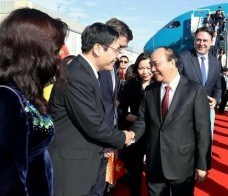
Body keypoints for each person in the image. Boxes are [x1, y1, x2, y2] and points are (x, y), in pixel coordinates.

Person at [48, 22, 134, 195]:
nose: (118, 56)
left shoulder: (87, 72)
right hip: (72, 169)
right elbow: (92, 124)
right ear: (97, 48)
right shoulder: (77, 76)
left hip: (87, 161)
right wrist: (122, 137)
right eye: (116, 50)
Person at [0, 8, 67, 195]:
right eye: (54, 52)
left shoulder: (25, 96)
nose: (58, 59)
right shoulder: (7, 99)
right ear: (33, 52)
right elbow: (8, 182)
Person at [128, 47, 212, 195]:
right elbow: (142, 121)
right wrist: (131, 135)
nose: (152, 69)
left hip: (182, 164)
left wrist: (202, 164)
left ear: (172, 63)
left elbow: (203, 130)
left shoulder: (195, 90)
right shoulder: (149, 91)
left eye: (155, 64)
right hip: (154, 163)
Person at [97, 17, 134, 194]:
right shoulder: (98, 68)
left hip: (110, 138)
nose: (121, 52)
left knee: (106, 185)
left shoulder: (113, 66)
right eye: (120, 47)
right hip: (99, 142)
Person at [118, 52, 153, 196]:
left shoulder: (159, 85)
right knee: (136, 169)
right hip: (135, 131)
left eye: (148, 67)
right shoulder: (131, 85)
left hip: (153, 133)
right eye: (141, 68)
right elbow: (121, 108)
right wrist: (128, 116)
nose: (145, 72)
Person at [178, 26, 222, 137]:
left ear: (211, 42)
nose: (201, 43)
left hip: (207, 111)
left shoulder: (216, 63)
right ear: (194, 41)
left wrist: (216, 100)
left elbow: (218, 88)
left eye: (205, 40)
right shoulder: (183, 57)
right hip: (185, 111)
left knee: (205, 144)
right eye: (198, 40)